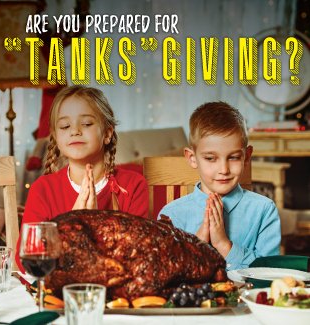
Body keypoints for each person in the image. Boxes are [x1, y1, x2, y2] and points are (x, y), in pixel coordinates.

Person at [16, 85, 149, 272]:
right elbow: (26, 261)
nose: (75, 131)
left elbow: (138, 256)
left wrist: (94, 225)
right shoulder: (43, 189)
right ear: (56, 137)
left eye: (86, 124)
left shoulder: (133, 185)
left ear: (107, 134)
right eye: (65, 126)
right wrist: (71, 227)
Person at [158, 101, 281, 271]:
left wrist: (224, 245)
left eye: (233, 157)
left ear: (246, 156)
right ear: (192, 158)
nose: (224, 170)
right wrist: (197, 244)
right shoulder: (171, 215)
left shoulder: (264, 211)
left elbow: (270, 274)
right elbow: (166, 273)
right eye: (210, 158)